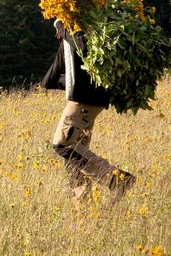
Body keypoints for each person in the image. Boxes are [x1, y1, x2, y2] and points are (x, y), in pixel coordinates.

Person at [50, 18, 136, 205]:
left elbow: (81, 44)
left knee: (63, 145)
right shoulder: (71, 35)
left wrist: (65, 30)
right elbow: (56, 73)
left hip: (84, 102)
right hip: (86, 101)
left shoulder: (83, 28)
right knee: (75, 158)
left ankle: (117, 180)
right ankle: (83, 207)